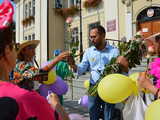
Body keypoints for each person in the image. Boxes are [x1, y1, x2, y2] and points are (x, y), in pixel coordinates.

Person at [0, 25, 70, 120]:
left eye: (34, 48)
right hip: (24, 101)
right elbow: (40, 74)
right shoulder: (21, 65)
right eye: (31, 48)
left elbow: (40, 77)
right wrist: (57, 59)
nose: (34, 50)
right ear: (23, 51)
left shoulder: (28, 63)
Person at [67, 25, 128, 120]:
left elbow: (120, 70)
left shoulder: (114, 51)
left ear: (103, 35)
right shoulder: (89, 51)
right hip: (93, 87)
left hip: (109, 87)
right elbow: (81, 68)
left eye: (94, 36)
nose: (92, 39)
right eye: (90, 37)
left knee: (109, 115)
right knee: (93, 113)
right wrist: (72, 65)